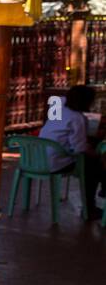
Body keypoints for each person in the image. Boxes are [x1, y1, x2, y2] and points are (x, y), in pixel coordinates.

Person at [38, 85, 104, 217]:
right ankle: (89, 208)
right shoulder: (77, 119)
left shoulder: (59, 107)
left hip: (37, 158)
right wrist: (96, 153)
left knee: (93, 162)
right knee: (92, 164)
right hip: (55, 162)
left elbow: (59, 99)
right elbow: (80, 148)